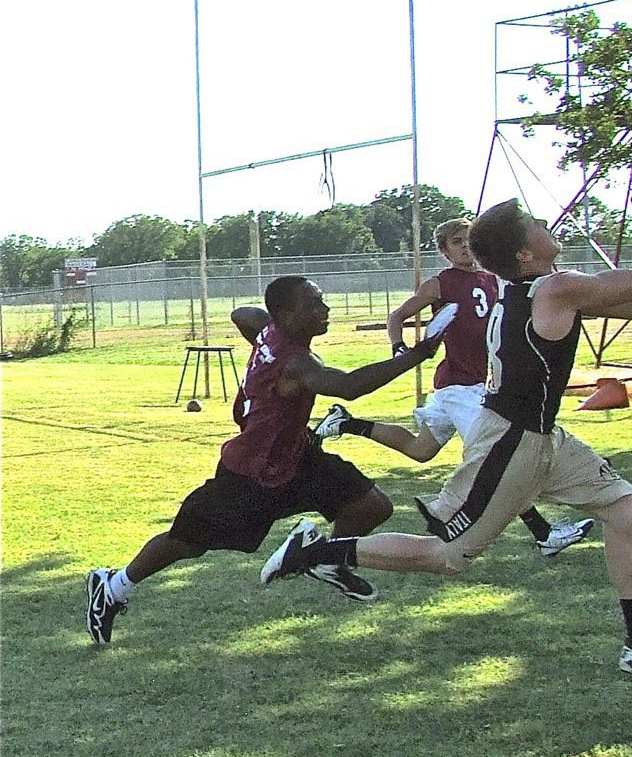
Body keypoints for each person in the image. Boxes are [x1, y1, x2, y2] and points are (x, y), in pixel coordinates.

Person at [260, 159, 632, 679]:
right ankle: (315, 551)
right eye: (538, 226)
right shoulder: (554, 288)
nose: (549, 227)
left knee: (625, 509)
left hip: (544, 435)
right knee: (447, 555)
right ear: (525, 253)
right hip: (511, 441)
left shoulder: (544, 289)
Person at [85, 274, 449, 645]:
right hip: (252, 471)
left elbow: (242, 313)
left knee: (370, 506)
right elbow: (350, 387)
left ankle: (323, 558)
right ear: (289, 315)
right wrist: (417, 354)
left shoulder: (271, 331)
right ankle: (113, 586)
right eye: (315, 304)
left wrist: (266, 331)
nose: (325, 309)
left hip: (297, 455)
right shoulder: (296, 364)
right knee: (188, 541)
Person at [312, 216, 593, 558]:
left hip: (474, 383)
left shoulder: (495, 277)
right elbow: (397, 315)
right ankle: (544, 532)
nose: (464, 247)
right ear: (445, 251)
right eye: (456, 242)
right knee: (499, 456)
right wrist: (399, 348)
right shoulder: (441, 283)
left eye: (468, 240)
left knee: (421, 449)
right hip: (460, 386)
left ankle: (345, 422)